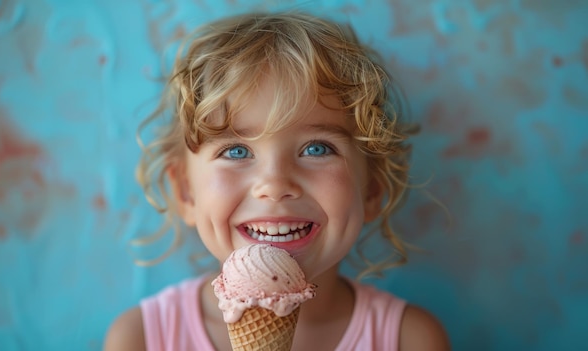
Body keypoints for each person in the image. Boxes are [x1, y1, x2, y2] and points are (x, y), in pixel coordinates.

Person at [104, 11, 450, 351]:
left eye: (317, 148)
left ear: (373, 188)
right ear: (186, 192)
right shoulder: (141, 339)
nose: (274, 183)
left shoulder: (410, 339)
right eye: (236, 151)